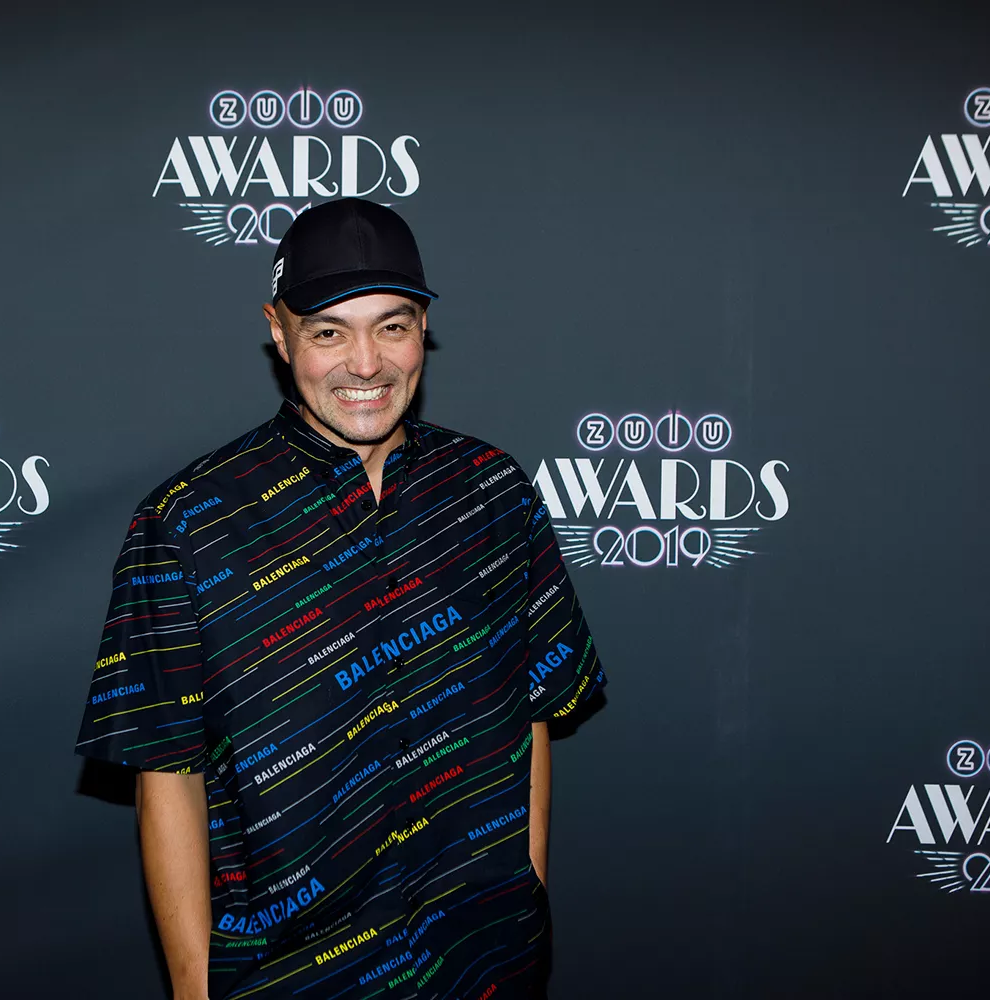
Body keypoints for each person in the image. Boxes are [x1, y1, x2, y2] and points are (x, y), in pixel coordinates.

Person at [75, 198, 606, 999]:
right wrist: (193, 991)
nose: (366, 363)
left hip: (484, 966)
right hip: (288, 978)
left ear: (423, 327)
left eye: (392, 326)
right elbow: (165, 774)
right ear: (279, 333)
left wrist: (524, 907)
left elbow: (531, 714)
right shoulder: (187, 522)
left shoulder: (495, 492)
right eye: (329, 332)